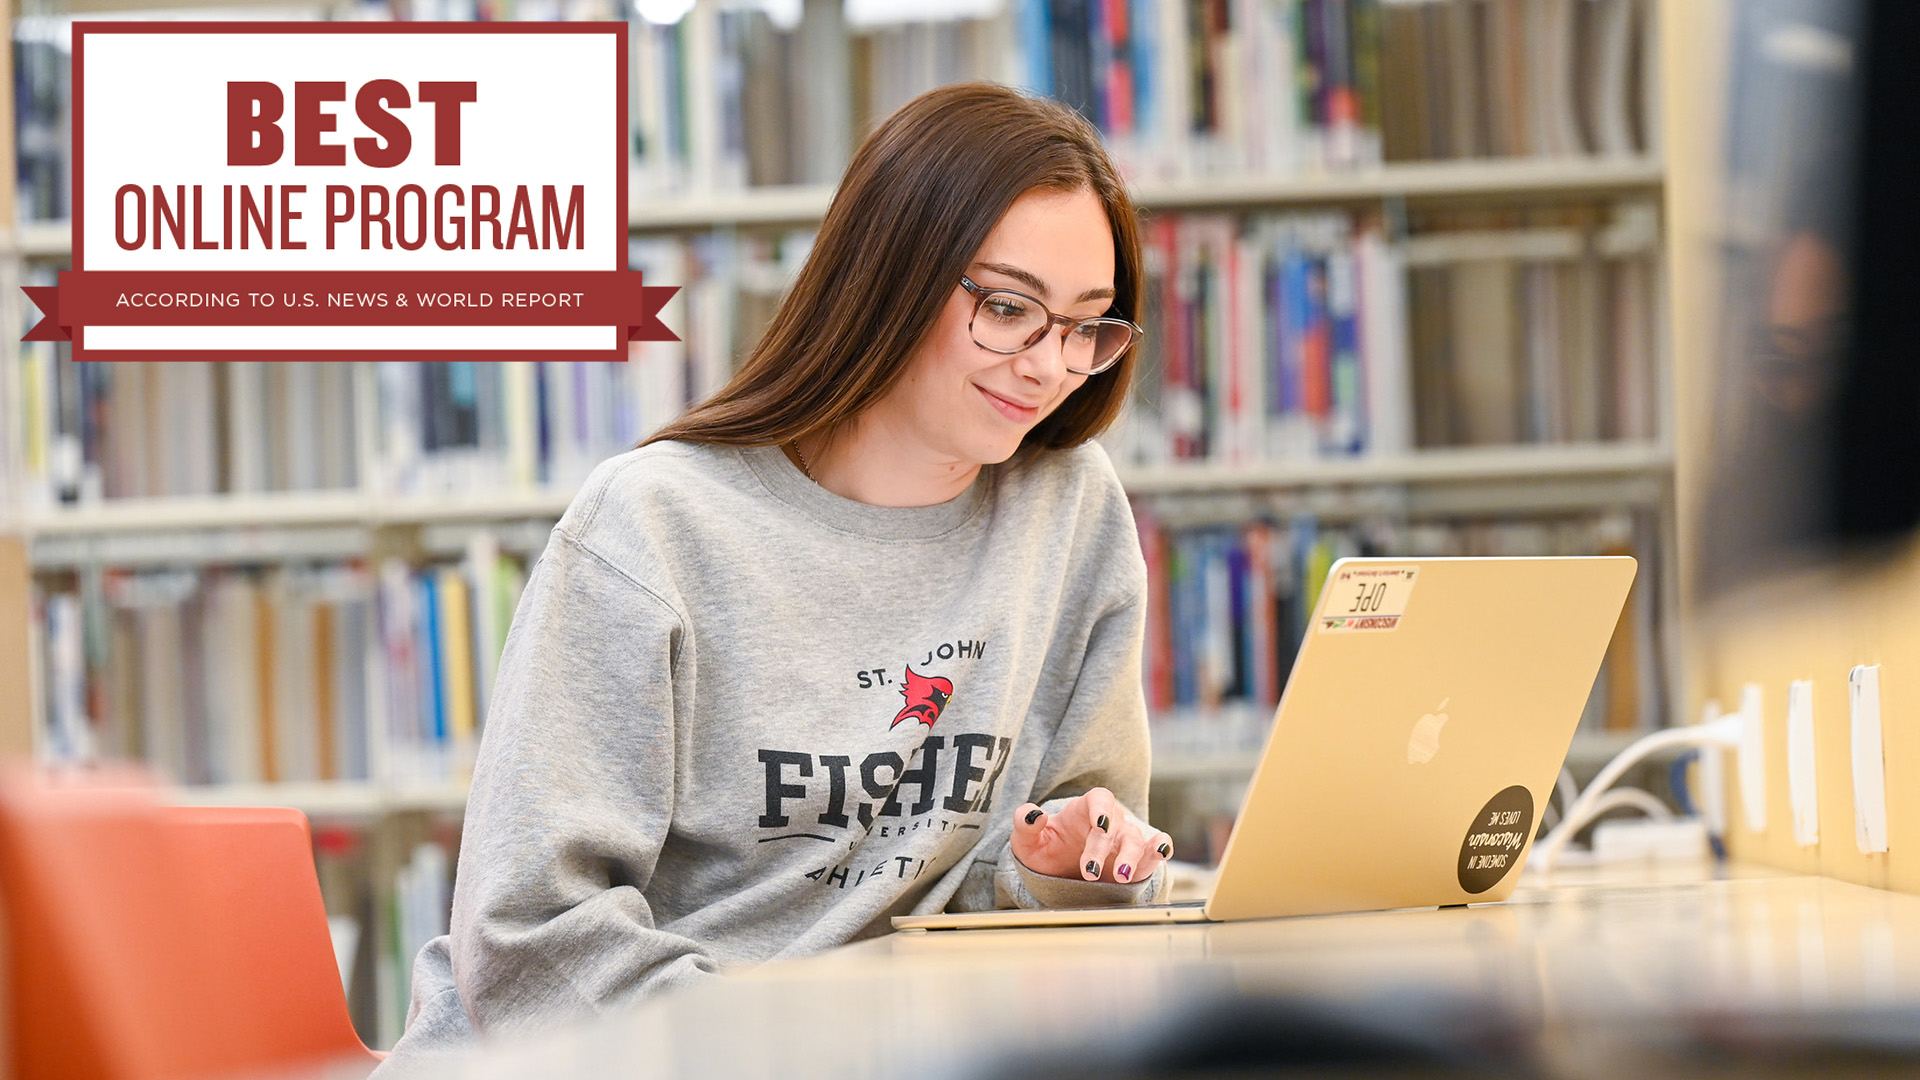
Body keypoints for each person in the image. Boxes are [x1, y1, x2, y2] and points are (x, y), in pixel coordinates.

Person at [377, 81, 1172, 1068]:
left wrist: (1058, 866)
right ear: (891, 277)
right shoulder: (652, 526)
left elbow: (1043, 889)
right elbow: (533, 939)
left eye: (1086, 325)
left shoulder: (1070, 509)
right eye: (1009, 309)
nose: (1049, 366)